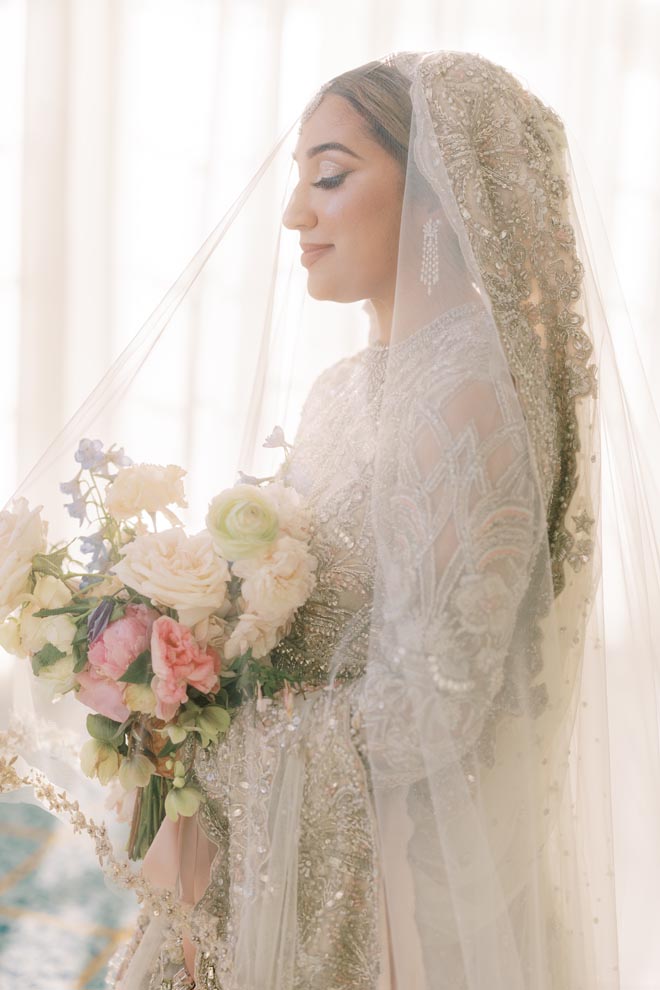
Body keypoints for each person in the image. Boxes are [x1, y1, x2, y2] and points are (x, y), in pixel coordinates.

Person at [2, 50, 660, 990]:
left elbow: (431, 708)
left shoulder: (469, 393)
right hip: (295, 853)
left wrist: (213, 728)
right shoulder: (345, 392)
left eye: (331, 175)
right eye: (299, 182)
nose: (295, 215)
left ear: (435, 190)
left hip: (392, 897)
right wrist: (180, 664)